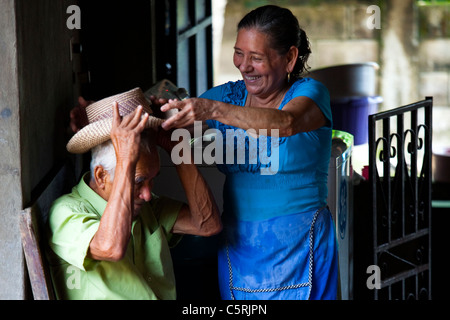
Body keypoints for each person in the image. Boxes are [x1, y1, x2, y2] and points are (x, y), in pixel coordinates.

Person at [159, 5, 338, 300]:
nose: (244, 66)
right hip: (239, 249)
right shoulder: (228, 97)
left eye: (256, 57)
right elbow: (168, 125)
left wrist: (212, 110)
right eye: (239, 53)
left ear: (290, 58)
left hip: (300, 247)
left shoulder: (310, 95)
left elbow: (285, 123)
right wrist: (104, 117)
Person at [46, 88, 222, 300]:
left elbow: (208, 225)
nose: (148, 194)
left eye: (152, 179)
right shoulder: (66, 211)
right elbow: (110, 247)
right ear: (101, 176)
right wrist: (125, 162)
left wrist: (178, 148)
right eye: (138, 181)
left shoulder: (149, 208)